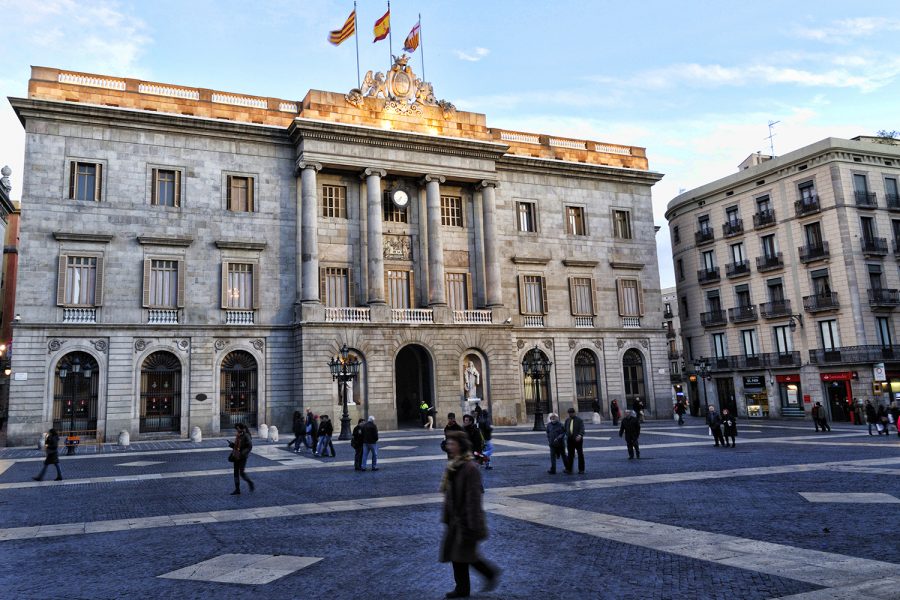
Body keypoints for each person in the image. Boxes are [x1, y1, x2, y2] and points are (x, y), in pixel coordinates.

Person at [439, 430, 500, 598]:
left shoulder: (470, 467)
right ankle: (462, 588)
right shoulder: (454, 465)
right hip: (456, 518)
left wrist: (471, 525)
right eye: (448, 443)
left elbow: (474, 498)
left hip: (466, 519)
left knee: (465, 555)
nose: (448, 446)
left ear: (461, 445)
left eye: (452, 443)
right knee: (458, 555)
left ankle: (489, 574)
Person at [228, 423, 255, 495]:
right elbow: (237, 446)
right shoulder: (238, 435)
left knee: (242, 473)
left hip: (242, 457)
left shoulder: (246, 435)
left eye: (237, 428)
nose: (236, 430)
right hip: (236, 456)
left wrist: (242, 453)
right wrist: (232, 445)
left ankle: (250, 482)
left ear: (240, 428)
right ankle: (237, 489)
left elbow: (249, 446)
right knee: (235, 473)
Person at [563, 407, 585, 474]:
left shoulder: (579, 420)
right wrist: (566, 434)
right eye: (569, 413)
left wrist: (580, 435)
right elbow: (565, 429)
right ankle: (569, 469)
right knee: (570, 455)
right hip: (570, 439)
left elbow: (582, 429)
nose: (570, 414)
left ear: (574, 413)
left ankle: (581, 469)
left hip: (578, 439)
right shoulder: (567, 420)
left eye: (572, 413)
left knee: (580, 454)